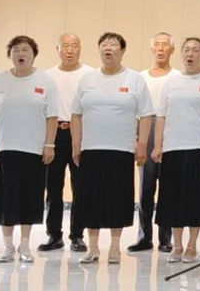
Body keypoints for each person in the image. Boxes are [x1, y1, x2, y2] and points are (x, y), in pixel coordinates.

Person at [70, 32, 152, 264]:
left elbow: (146, 115)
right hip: (91, 148)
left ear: (122, 50)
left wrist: (142, 145)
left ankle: (115, 247)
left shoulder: (134, 79)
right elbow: (76, 114)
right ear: (99, 50)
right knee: (90, 198)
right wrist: (76, 143)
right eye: (104, 44)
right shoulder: (87, 79)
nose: (108, 48)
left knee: (118, 198)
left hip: (121, 149)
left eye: (113, 44)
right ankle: (93, 247)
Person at [0, 36, 59, 263]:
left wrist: (49, 145)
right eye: (16, 50)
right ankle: (7, 246)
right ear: (10, 55)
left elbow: (52, 116)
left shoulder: (46, 81)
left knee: (29, 198)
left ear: (34, 55)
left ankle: (25, 245)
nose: (21, 54)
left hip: (34, 149)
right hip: (5, 148)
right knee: (6, 199)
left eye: (25, 50)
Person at [153, 37, 200, 263]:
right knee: (174, 198)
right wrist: (158, 145)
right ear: (181, 54)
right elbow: (161, 116)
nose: (190, 54)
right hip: (173, 148)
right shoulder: (171, 82)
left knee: (196, 198)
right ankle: (177, 245)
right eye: (187, 50)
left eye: (196, 50)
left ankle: (192, 245)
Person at [42, 33, 94, 253]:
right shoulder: (47, 76)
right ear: (57, 49)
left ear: (80, 48)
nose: (70, 50)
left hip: (81, 134)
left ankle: (77, 235)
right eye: (65, 46)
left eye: (74, 46)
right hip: (54, 134)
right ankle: (54, 235)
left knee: (80, 187)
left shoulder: (90, 75)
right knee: (53, 187)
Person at [130, 32, 178, 253]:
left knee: (168, 188)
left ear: (172, 50)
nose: (160, 48)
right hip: (146, 132)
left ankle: (165, 238)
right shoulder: (140, 77)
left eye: (165, 45)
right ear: (151, 50)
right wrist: (136, 138)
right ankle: (144, 237)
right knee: (146, 188)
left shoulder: (177, 77)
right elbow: (134, 110)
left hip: (171, 132)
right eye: (157, 45)